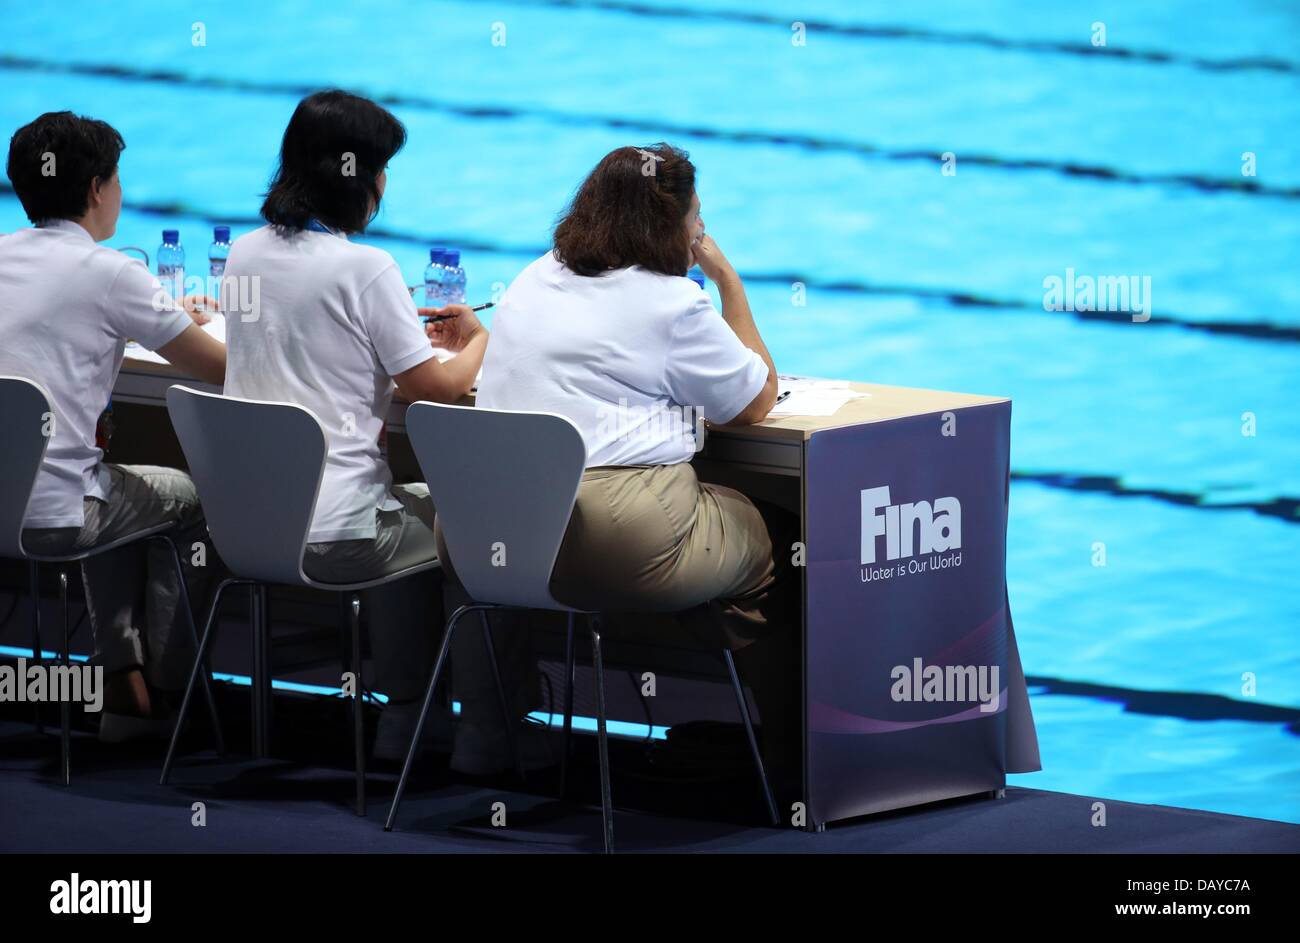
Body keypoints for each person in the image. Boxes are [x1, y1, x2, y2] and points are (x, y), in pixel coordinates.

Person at [472, 142, 801, 795]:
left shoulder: (534, 277)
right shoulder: (673, 303)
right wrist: (729, 282)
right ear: (668, 226)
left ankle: (484, 741)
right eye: (694, 218)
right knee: (792, 545)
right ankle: (793, 765)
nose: (699, 231)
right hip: (617, 547)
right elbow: (755, 402)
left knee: (689, 539)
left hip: (497, 538)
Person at [220, 90, 487, 764]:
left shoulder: (244, 254)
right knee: (466, 521)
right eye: (381, 167)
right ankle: (448, 723)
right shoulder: (367, 269)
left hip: (247, 523)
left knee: (397, 511)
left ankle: (408, 715)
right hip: (338, 532)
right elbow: (433, 390)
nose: (386, 183)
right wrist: (483, 338)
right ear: (357, 175)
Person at [0, 111, 227, 741]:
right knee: (192, 502)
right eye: (118, 181)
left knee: (106, 477)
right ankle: (164, 691)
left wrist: (161, 310)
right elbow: (218, 367)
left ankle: (118, 676)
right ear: (99, 189)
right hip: (53, 517)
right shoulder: (112, 272)